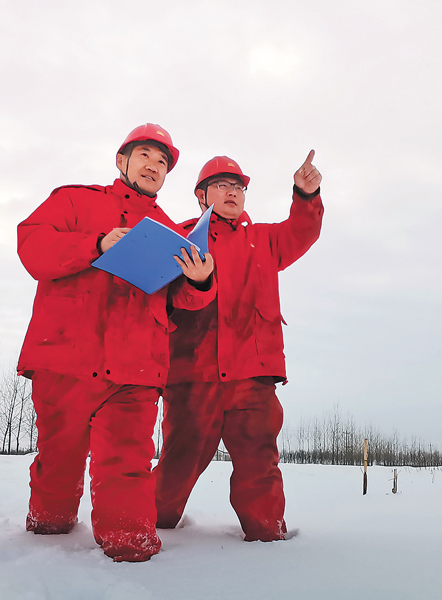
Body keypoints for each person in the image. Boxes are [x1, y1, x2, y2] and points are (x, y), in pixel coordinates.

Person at [16, 123, 216, 562]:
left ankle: (131, 549)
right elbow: (32, 246)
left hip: (135, 369)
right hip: (66, 357)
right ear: (122, 160)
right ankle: (48, 530)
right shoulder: (74, 200)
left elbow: (178, 297)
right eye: (145, 154)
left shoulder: (170, 229)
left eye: (163, 162)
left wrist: (200, 282)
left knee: (127, 464)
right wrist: (96, 243)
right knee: (58, 460)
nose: (154, 166)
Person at [153, 151, 323, 541]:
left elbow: (302, 231)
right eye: (222, 185)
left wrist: (305, 194)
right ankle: (151, 523)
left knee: (258, 460)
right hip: (192, 373)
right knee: (180, 460)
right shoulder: (176, 237)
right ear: (201, 195)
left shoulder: (264, 239)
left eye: (238, 186)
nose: (232, 192)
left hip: (252, 372)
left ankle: (267, 537)